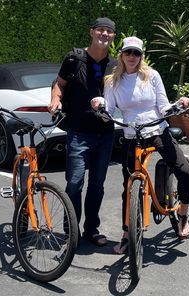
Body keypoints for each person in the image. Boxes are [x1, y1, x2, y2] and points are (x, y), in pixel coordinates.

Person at [91, 36, 189, 254]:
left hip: (157, 130)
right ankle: (127, 234)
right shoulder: (112, 82)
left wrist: (178, 105)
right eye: (128, 52)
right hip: (131, 134)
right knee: (128, 187)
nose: (132, 57)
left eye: (136, 53)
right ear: (121, 55)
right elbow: (108, 111)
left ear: (141, 56)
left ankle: (183, 214)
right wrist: (99, 105)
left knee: (185, 172)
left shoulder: (152, 76)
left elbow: (164, 106)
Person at [48, 17, 117, 247]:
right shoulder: (74, 58)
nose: (104, 34)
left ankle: (91, 230)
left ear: (113, 36)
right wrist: (55, 101)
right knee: (75, 183)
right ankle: (71, 230)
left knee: (97, 184)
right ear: (92, 32)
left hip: (105, 132)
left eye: (109, 31)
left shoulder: (115, 66)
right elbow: (58, 84)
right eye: (100, 30)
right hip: (78, 131)